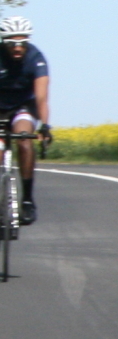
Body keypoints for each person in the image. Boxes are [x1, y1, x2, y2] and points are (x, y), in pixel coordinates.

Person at [0, 16, 50, 224]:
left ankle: (27, 199)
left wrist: (45, 126)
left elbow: (41, 97)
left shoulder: (36, 58)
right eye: (13, 43)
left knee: (24, 140)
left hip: (23, 106)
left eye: (22, 42)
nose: (18, 48)